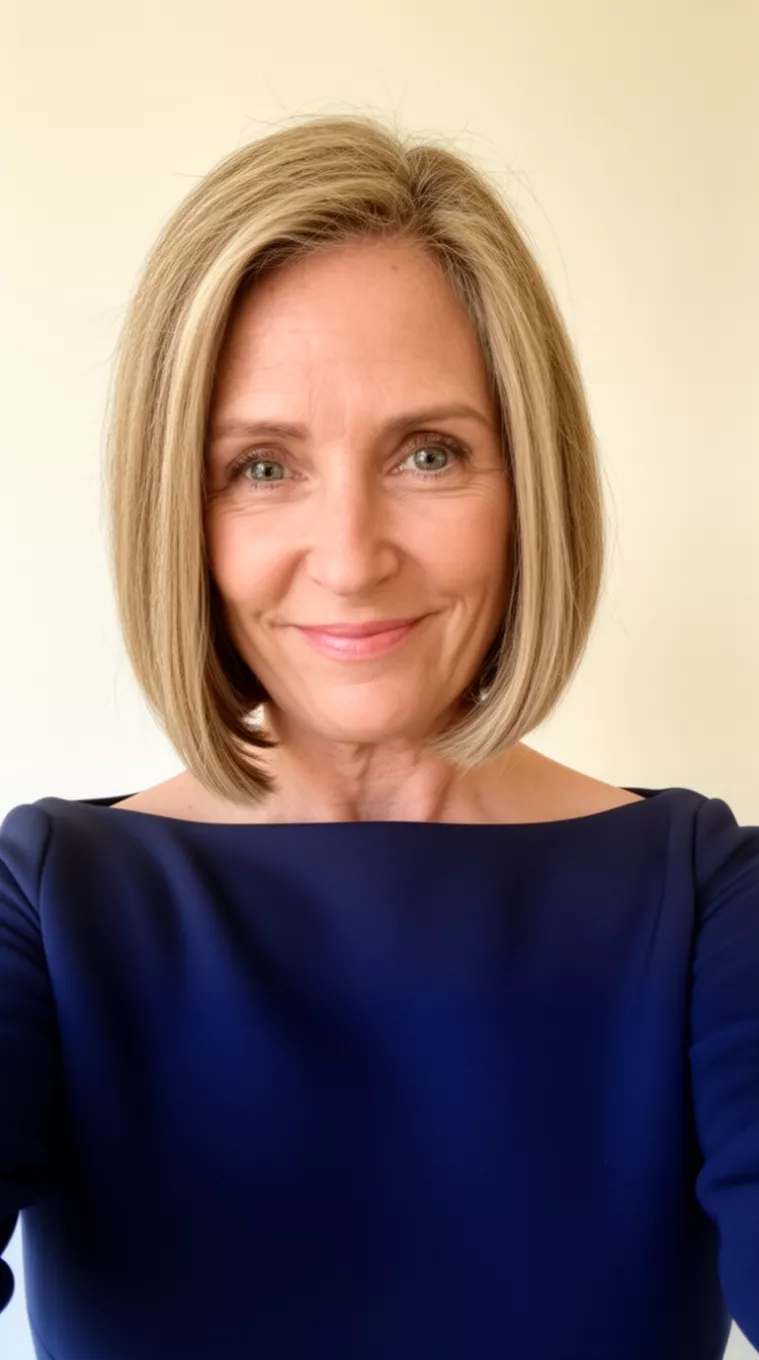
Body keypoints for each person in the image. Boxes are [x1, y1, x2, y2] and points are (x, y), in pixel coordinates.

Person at [0, 114, 756, 1360]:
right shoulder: (48, 906)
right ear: (176, 514)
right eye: (260, 467)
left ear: (531, 490)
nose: (351, 558)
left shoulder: (709, 902)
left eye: (427, 451)